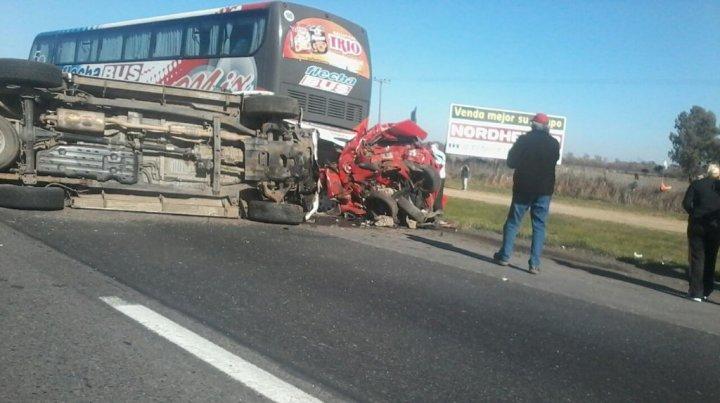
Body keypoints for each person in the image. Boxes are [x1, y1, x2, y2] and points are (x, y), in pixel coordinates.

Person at [492, 113, 560, 274]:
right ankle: (534, 264)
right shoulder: (554, 144)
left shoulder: (523, 140)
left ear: (532, 125)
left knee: (513, 222)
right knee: (539, 226)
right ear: (547, 127)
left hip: (523, 188)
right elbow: (554, 161)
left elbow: (511, 162)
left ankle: (504, 256)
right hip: (544, 191)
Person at [682, 163, 720, 302]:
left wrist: (694, 213)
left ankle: (696, 291)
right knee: (711, 258)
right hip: (715, 227)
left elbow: (686, 203)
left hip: (697, 224)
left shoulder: (697, 184)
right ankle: (707, 290)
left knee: (697, 257)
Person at [430, 143, 446, 212]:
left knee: (438, 193)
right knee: (434, 193)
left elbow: (440, 165)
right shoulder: (432, 153)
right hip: (435, 176)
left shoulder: (440, 154)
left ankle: (437, 209)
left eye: (432, 147)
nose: (431, 148)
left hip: (439, 176)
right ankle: (434, 208)